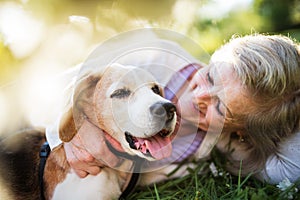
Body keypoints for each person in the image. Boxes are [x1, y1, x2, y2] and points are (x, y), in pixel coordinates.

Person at [46, 31, 300, 185]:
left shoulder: (228, 145)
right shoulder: (154, 57)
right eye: (211, 77)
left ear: (241, 131)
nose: (198, 96)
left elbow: (291, 168)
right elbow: (45, 89)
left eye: (220, 108)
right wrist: (66, 133)